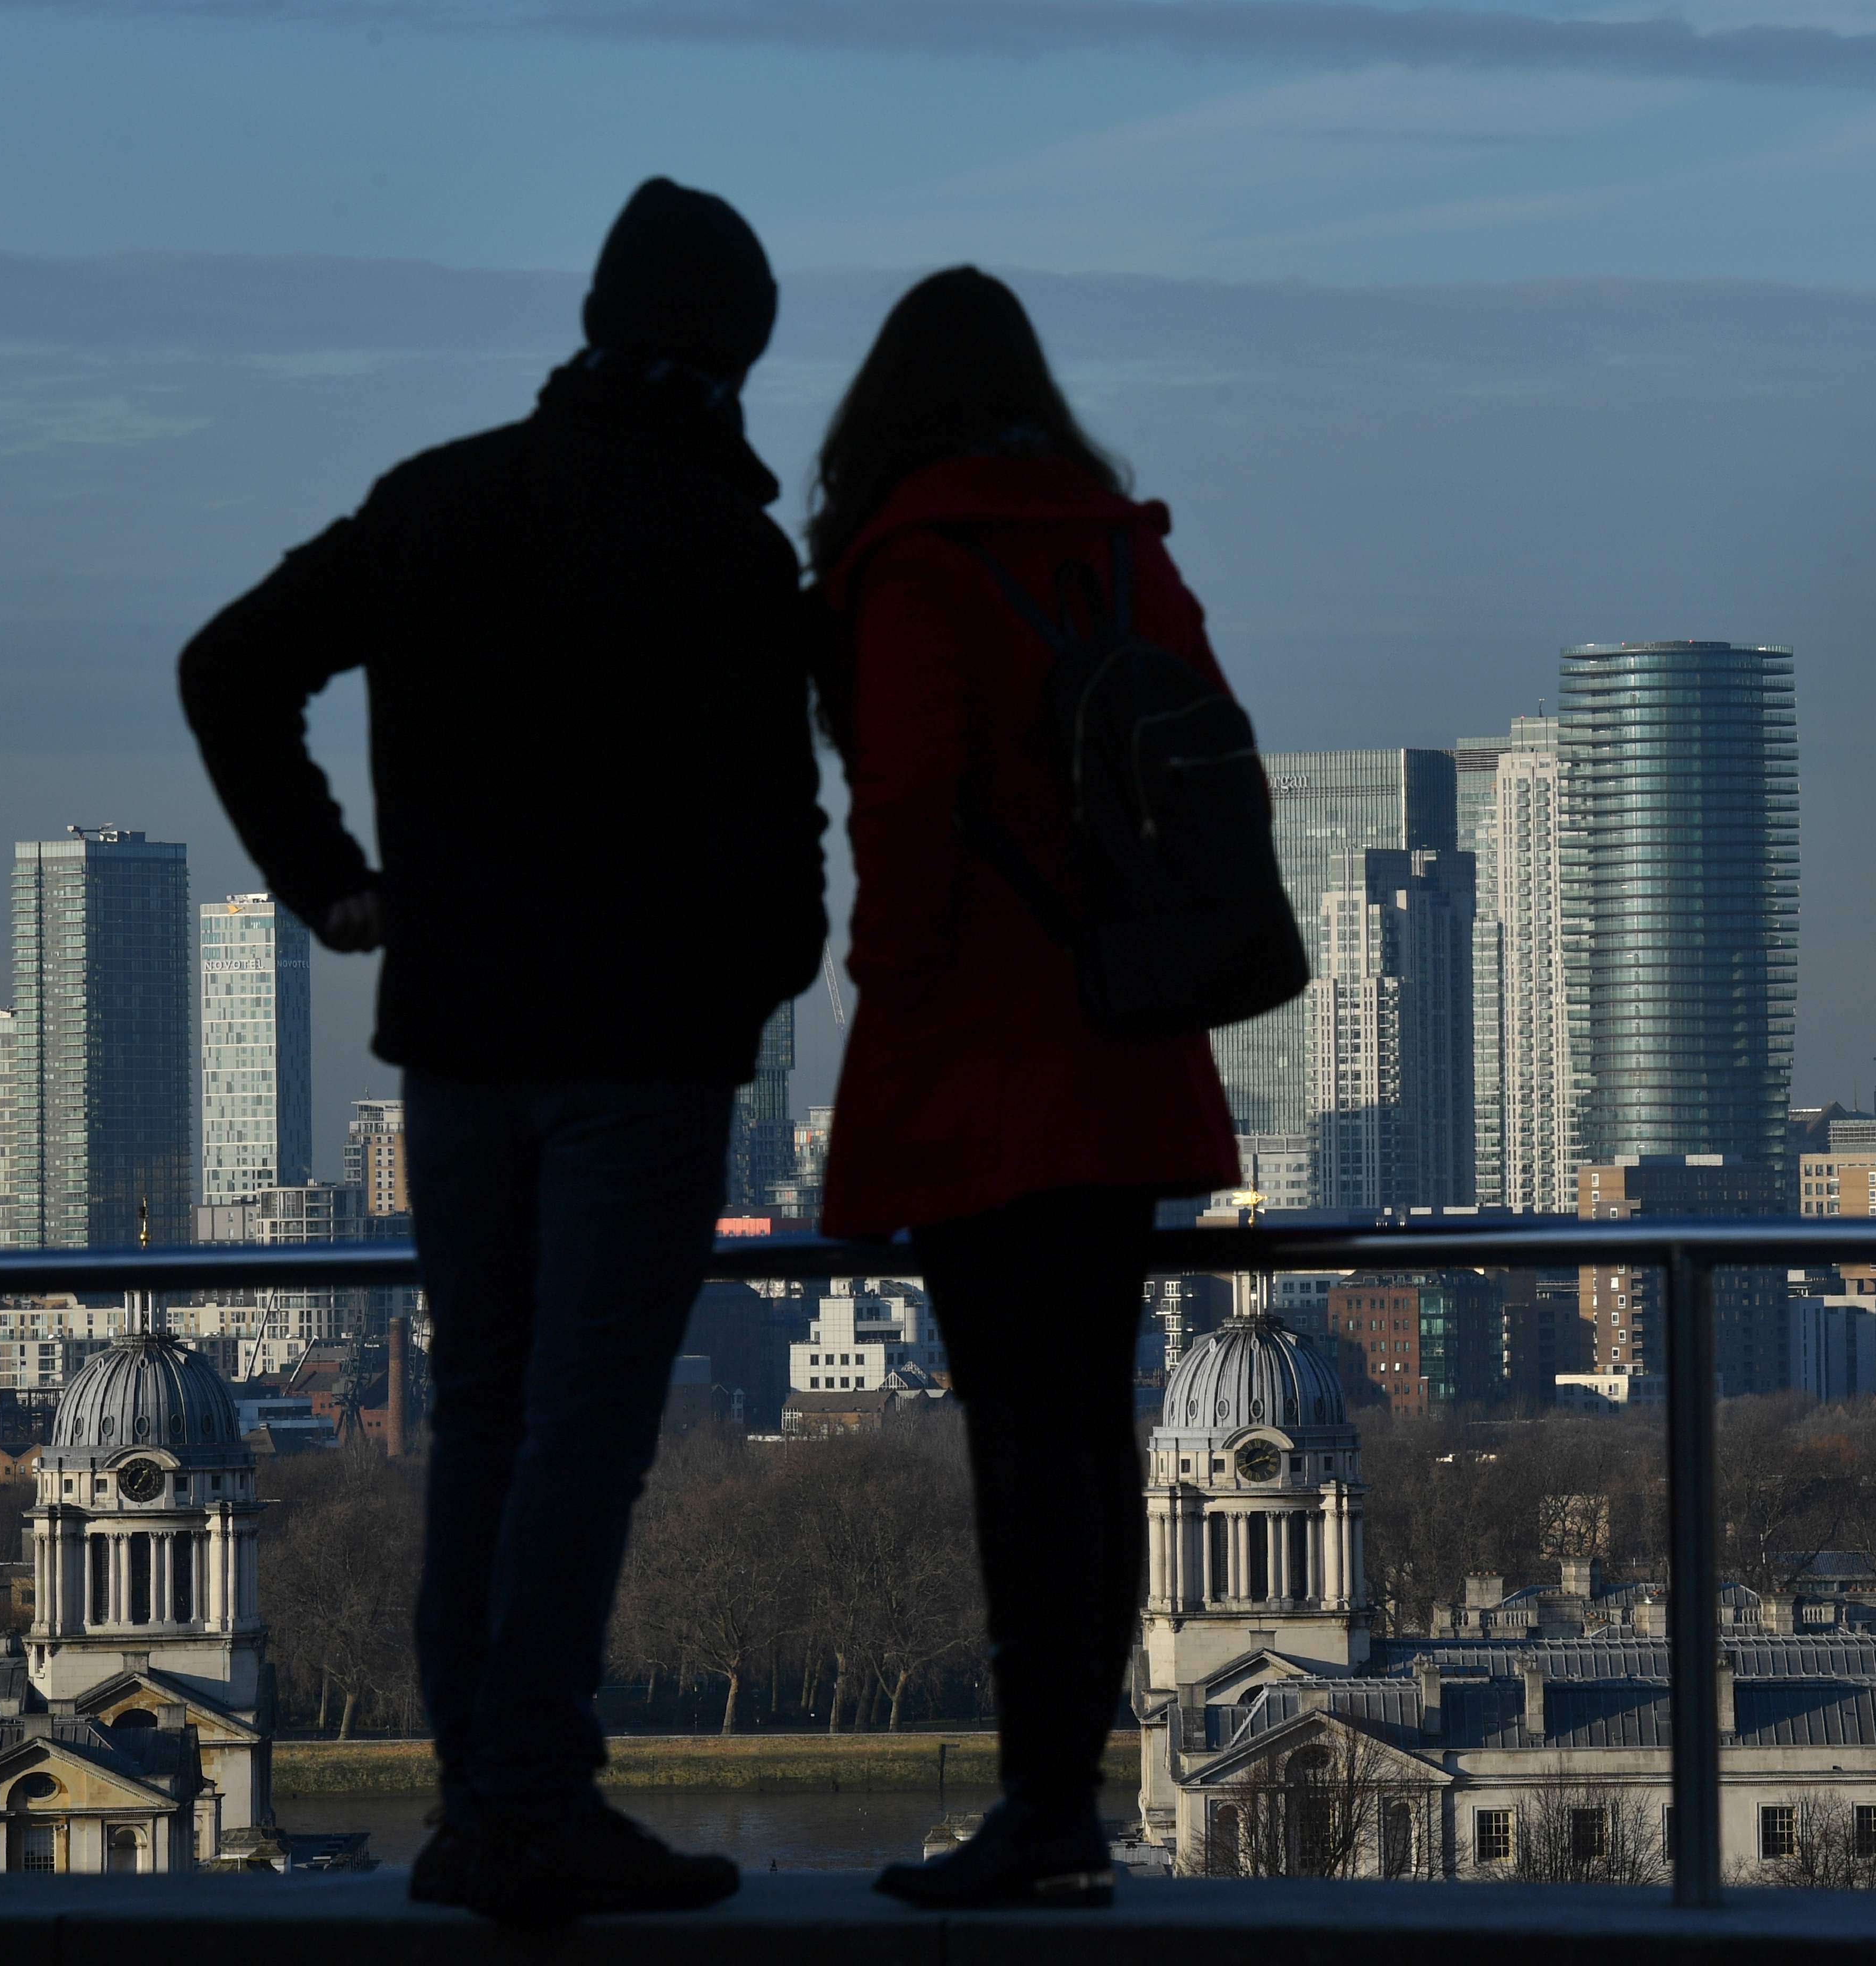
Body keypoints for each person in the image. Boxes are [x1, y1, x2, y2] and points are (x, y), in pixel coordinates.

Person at [178, 179, 825, 1926]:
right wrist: (752, 991)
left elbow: (230, 668)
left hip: (456, 1052)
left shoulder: (438, 502)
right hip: (641, 1059)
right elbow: (781, 839)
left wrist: (334, 889)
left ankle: (485, 1800)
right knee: (586, 1433)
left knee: (480, 1418)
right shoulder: (723, 545)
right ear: (734, 349)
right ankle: (533, 1802)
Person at [806, 267, 1240, 1909]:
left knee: (1018, 1441)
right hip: (1124, 1036)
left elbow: (907, 811)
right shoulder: (1123, 547)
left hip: (983, 1057)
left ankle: (1041, 1803)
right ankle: (1065, 1793)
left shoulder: (915, 562)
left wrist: (893, 996)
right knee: (1090, 1433)